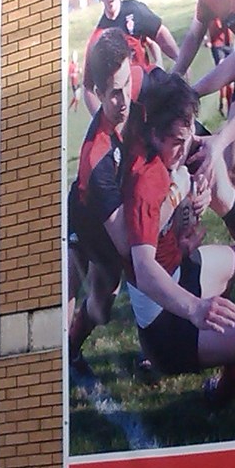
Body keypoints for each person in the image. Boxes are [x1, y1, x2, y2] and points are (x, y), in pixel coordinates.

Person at [121, 69, 235, 408]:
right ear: (154, 134)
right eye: (177, 141)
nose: (184, 148)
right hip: (165, 323)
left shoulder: (170, 154)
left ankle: (228, 354)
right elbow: (143, 269)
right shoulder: (145, 180)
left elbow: (168, 218)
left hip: (177, 275)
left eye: (187, 138)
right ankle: (219, 398)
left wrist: (186, 218)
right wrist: (196, 309)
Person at [67, 32, 137, 380]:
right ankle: (62, 353)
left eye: (127, 83)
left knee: (102, 307)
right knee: (75, 295)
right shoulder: (96, 157)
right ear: (96, 92)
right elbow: (127, 243)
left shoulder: (137, 88)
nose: (125, 100)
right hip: (88, 220)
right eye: (114, 93)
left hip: (111, 211)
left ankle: (72, 344)